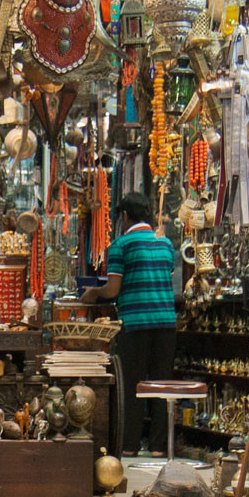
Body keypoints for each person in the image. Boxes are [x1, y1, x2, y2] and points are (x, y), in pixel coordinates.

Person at [82, 192, 176, 457]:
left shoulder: (121, 245)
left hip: (135, 323)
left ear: (124, 216)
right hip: (166, 323)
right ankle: (158, 447)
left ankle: (130, 445)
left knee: (132, 385)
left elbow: (112, 289)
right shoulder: (166, 244)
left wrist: (93, 292)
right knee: (161, 383)